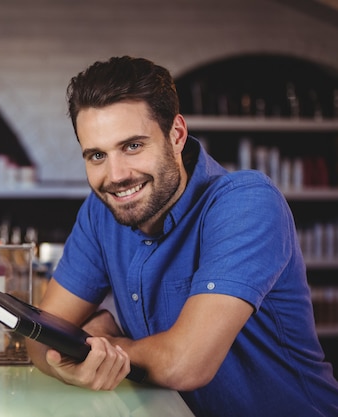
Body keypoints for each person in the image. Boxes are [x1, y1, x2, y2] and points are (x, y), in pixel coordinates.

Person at [25, 56, 338, 417]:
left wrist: (96, 348)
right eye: (97, 155)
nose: (116, 175)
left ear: (176, 134)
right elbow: (39, 336)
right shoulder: (100, 213)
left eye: (132, 146)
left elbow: (185, 363)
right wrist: (78, 368)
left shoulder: (247, 202)